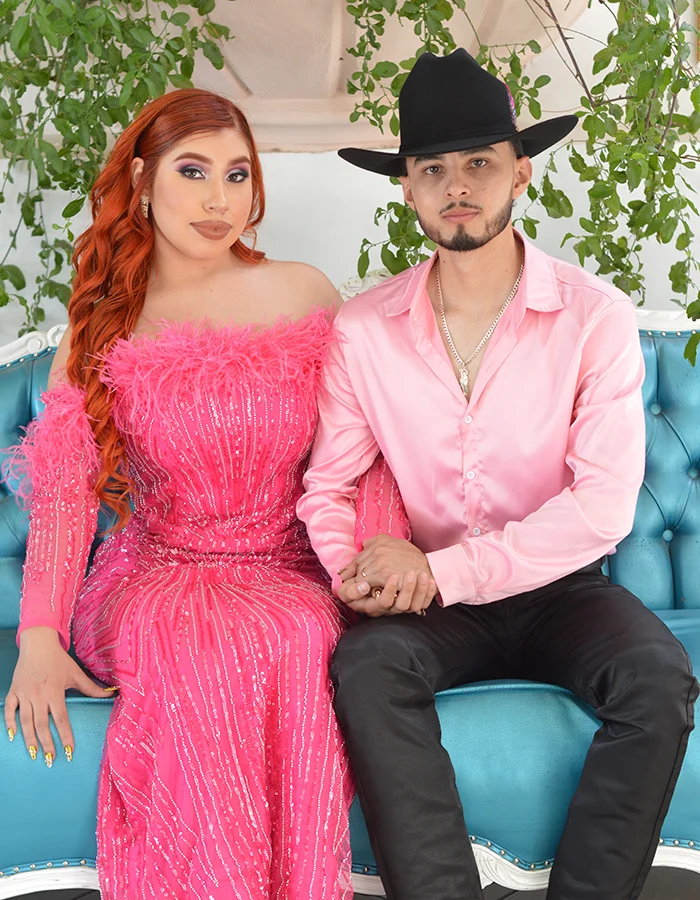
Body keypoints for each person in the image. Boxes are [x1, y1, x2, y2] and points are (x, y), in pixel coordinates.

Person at [298, 49, 699, 900]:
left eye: (479, 162)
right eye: (432, 168)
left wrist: (440, 570)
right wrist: (354, 573)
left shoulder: (594, 317)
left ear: (521, 171)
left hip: (561, 587)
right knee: (365, 667)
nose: (457, 186)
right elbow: (327, 487)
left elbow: (601, 508)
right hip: (432, 606)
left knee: (659, 679)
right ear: (407, 190)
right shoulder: (363, 331)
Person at [2, 88, 408, 900]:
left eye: (237, 174)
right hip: (155, 572)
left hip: (289, 566)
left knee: (292, 634)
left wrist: (373, 564)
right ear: (143, 181)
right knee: (202, 643)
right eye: (193, 172)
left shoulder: (305, 292)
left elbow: (364, 455)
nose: (219, 199)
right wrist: (39, 635)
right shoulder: (103, 325)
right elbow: (65, 492)